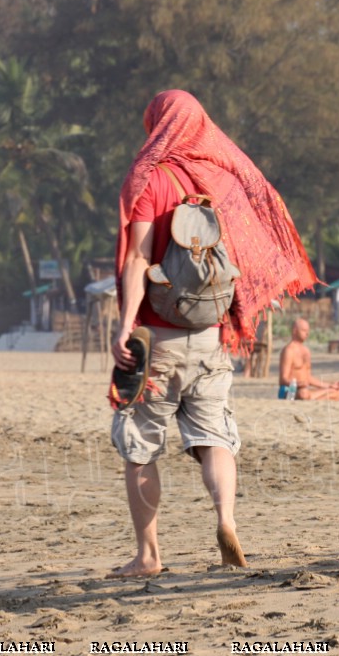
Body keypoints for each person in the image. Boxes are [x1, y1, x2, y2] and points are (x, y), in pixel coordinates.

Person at [109, 90, 317, 577]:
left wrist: (124, 328)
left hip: (157, 336)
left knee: (140, 447)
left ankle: (149, 555)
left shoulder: (151, 178)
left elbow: (139, 258)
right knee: (214, 438)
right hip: (209, 334)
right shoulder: (223, 178)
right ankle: (226, 519)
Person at [278, 318, 339, 400]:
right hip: (291, 391)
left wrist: (329, 385)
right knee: (303, 393)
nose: (307, 333)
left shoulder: (306, 351)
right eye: (304, 330)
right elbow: (283, 380)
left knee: (338, 393)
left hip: (305, 390)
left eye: (308, 331)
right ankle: (313, 397)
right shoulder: (288, 351)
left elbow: (308, 378)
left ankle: (312, 398)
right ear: (295, 331)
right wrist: (298, 383)